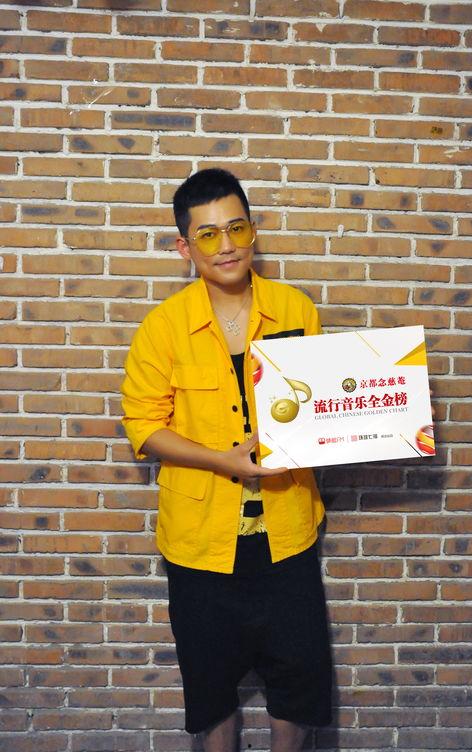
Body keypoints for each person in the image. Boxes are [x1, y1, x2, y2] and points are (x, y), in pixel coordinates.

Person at [121, 168, 332, 752]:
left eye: (237, 228)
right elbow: (144, 425)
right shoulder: (163, 327)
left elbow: (323, 404)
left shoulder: (295, 308)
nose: (227, 245)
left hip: (287, 534)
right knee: (210, 690)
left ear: (253, 231)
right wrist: (221, 460)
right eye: (208, 235)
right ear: (184, 247)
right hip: (200, 541)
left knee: (299, 683)